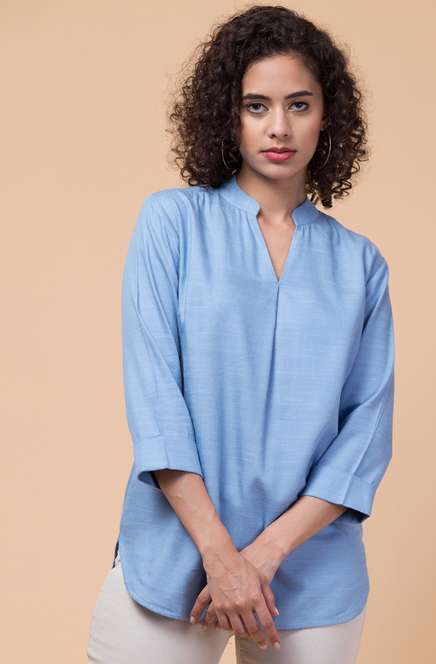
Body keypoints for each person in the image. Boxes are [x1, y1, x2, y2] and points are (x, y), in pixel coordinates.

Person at [86, 5, 395, 663]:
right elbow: (158, 406)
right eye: (257, 106)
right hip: (174, 558)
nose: (279, 127)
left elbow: (364, 435)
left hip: (312, 572)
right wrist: (222, 557)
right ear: (228, 115)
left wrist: (263, 555)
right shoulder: (172, 223)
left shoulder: (360, 265)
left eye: (299, 105)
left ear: (328, 116)